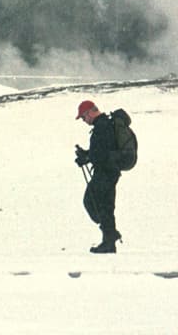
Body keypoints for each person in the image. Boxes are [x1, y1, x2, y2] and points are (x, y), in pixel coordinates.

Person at [74, 99, 121, 253]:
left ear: (90, 113)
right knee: (105, 205)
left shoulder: (102, 127)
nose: (83, 120)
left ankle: (110, 237)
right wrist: (87, 155)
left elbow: (100, 154)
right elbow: (102, 151)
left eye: (83, 117)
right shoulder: (105, 124)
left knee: (93, 202)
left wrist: (86, 157)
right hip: (110, 171)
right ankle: (109, 239)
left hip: (105, 172)